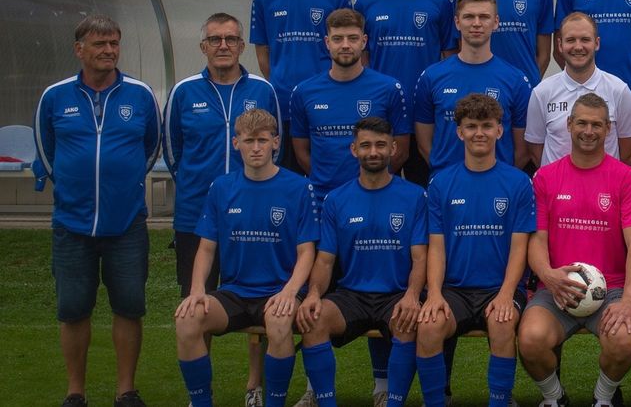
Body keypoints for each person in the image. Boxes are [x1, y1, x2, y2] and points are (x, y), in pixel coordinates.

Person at [35, 15, 160, 407]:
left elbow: (152, 147)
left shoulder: (140, 95)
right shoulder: (55, 97)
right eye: (100, 44)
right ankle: (76, 392)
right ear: (79, 50)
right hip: (72, 225)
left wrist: (122, 185)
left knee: (128, 306)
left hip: (126, 226)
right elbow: (46, 151)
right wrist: (76, 188)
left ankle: (126, 390)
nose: (108, 51)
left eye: (114, 44)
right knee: (73, 310)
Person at [164, 12, 280, 404]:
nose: (224, 46)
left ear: (242, 46)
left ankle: (254, 386)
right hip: (199, 217)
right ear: (204, 47)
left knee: (260, 299)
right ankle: (202, 393)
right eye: (215, 39)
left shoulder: (263, 89)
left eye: (231, 39)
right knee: (198, 302)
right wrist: (204, 189)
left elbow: (272, 139)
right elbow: (172, 149)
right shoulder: (184, 91)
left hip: (257, 216)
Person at [174, 108, 318, 407]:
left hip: (277, 291)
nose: (256, 148)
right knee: (187, 319)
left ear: (276, 143)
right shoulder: (222, 187)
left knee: (279, 323)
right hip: (235, 293)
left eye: (263, 140)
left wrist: (290, 292)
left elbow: (307, 253)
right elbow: (206, 248)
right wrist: (197, 291)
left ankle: (274, 402)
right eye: (249, 140)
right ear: (235, 143)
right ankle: (202, 402)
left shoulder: (299, 187)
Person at [402, 94, 535, 406]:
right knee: (430, 324)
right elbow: (436, 247)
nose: (479, 133)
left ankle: (500, 400)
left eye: (487, 126)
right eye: (471, 126)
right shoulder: (440, 183)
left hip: (498, 288)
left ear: (500, 131)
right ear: (458, 132)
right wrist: (433, 293)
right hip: (455, 290)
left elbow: (520, 248)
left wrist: (506, 293)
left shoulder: (517, 183)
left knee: (502, 324)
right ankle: (436, 400)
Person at [518, 93, 631, 407]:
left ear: (608, 129)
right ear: (568, 124)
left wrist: (629, 299)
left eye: (596, 124)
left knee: (622, 343)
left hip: (611, 289)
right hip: (558, 288)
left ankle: (602, 398)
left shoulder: (626, 178)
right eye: (582, 123)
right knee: (530, 340)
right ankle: (554, 397)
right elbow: (536, 240)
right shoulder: (546, 177)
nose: (588, 131)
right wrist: (549, 276)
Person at [295, 117, 428, 407]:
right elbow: (326, 260)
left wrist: (412, 295)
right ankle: (325, 401)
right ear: (354, 150)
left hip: (395, 295)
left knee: (408, 321)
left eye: (381, 145)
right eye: (366, 145)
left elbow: (420, 257)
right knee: (313, 319)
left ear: (393, 148)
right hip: (351, 295)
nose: (373, 152)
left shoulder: (415, 196)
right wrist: (314, 295)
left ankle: (393, 402)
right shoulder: (335, 199)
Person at [355, 0, 457, 185]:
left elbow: (448, 57)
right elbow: (363, 59)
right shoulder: (366, 1)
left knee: (422, 190)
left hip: (425, 113)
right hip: (382, 112)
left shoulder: (440, 0)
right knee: (380, 188)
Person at [250, 0, 352, 171]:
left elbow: (345, 45)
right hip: (282, 103)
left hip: (327, 101)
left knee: (328, 171)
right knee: (287, 177)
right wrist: (280, 81)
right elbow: (263, 52)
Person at [291, 8, 410, 200]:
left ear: (363, 41)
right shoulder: (304, 92)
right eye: (338, 39)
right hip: (323, 199)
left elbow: (401, 150)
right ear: (327, 43)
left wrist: (372, 180)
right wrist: (327, 182)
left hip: (376, 197)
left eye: (352, 38)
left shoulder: (389, 89)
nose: (345, 45)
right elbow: (302, 152)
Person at [415, 0, 532, 173]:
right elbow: (424, 144)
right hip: (446, 188)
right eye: (469, 17)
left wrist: (496, 176)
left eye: (484, 17)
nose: (476, 23)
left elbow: (523, 149)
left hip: (498, 189)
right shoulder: (431, 77)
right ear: (457, 22)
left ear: (496, 23)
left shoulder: (516, 80)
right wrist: (449, 178)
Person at [526, 12, 631, 167]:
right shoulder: (541, 93)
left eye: (585, 39)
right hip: (557, 188)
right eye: (571, 40)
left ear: (597, 43)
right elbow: (535, 149)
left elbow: (628, 153)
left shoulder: (619, 91)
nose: (578, 47)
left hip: (604, 187)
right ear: (560, 45)